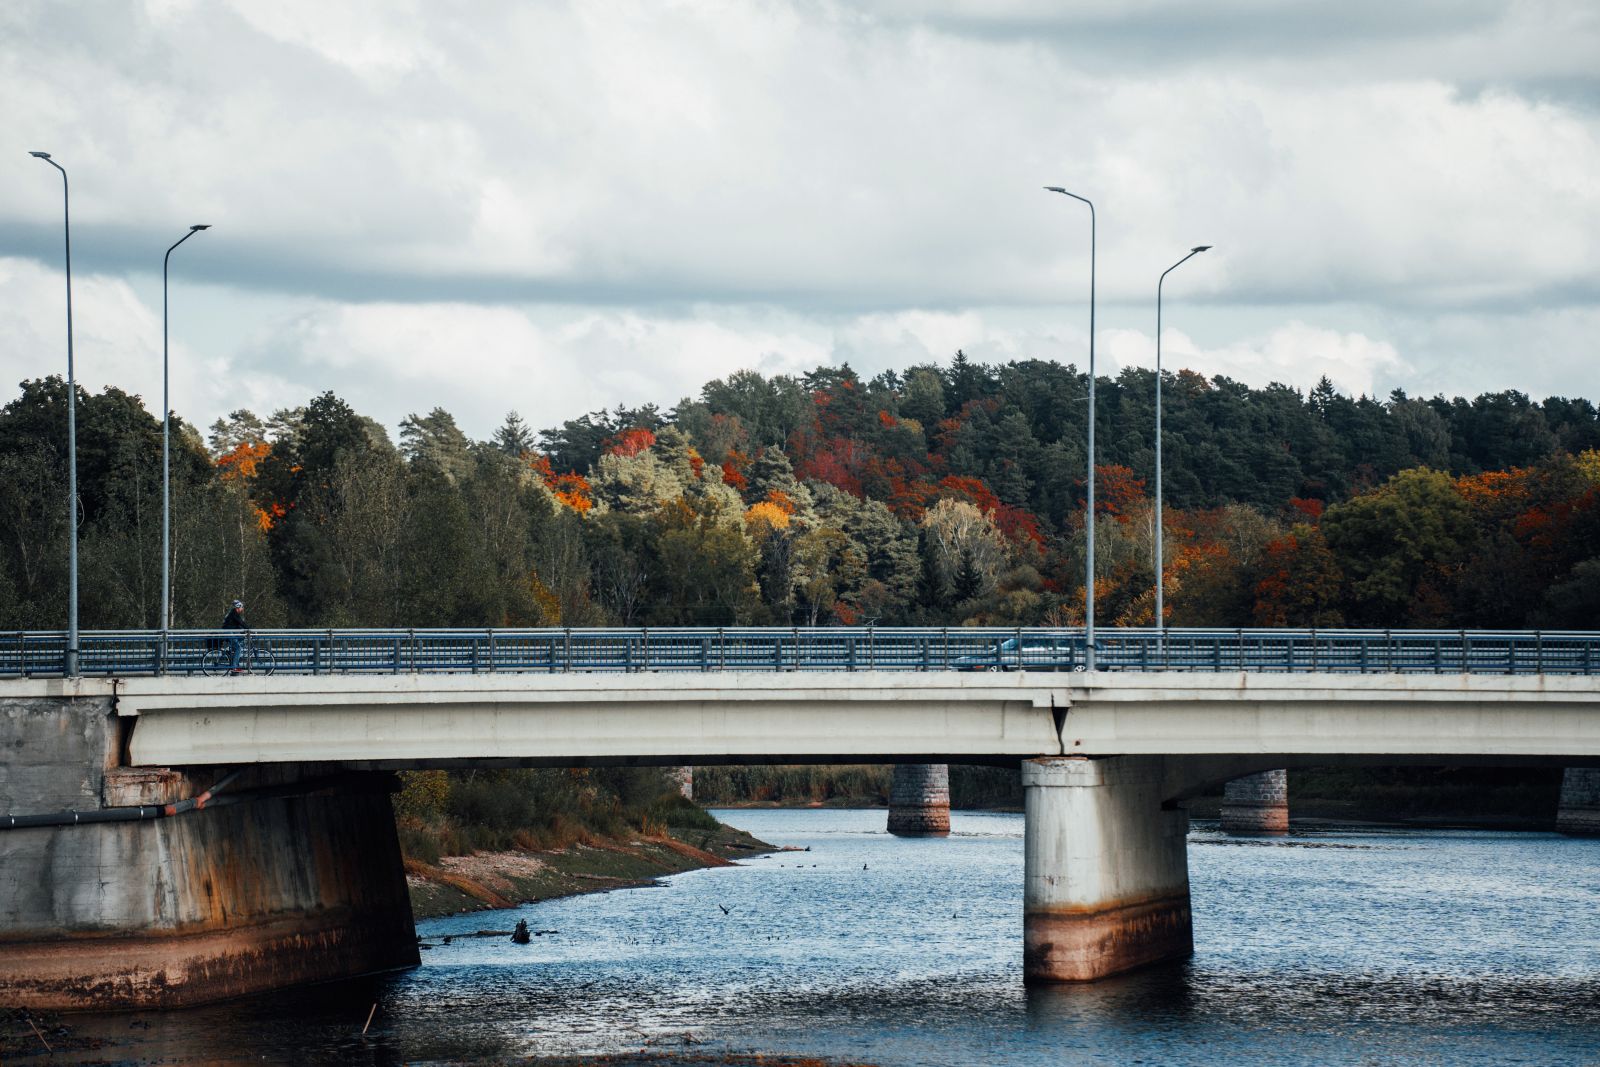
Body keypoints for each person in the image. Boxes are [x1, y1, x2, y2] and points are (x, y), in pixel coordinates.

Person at [222, 599, 248, 672]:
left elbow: (237, 625)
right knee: (238, 648)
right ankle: (234, 667)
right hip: (228, 632)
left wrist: (243, 633)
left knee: (240, 639)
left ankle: (230, 649)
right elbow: (241, 622)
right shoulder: (234, 614)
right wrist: (249, 630)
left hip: (229, 631)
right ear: (238, 607)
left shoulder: (233, 613)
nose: (242, 609)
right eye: (242, 607)